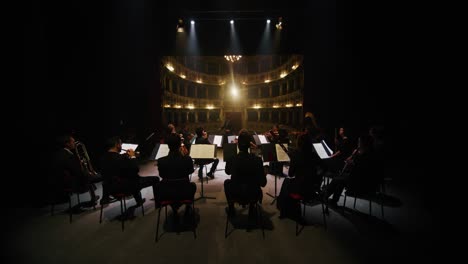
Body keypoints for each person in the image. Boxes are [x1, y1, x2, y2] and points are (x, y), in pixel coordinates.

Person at [99, 136, 160, 207]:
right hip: (125, 188)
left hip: (111, 189)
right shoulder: (121, 158)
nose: (121, 146)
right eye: (121, 144)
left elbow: (115, 161)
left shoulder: (102, 158)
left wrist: (127, 156)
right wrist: (133, 157)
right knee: (155, 179)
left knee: (128, 177)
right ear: (117, 145)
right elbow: (136, 169)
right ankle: (158, 203)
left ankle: (139, 201)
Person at [324, 135, 381, 206]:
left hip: (362, 180)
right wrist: (351, 158)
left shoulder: (369, 154)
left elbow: (362, 168)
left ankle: (325, 196)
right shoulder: (360, 151)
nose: (358, 143)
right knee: (339, 179)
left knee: (338, 179)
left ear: (365, 143)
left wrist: (352, 162)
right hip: (355, 176)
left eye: (360, 141)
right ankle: (332, 200)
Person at [277, 133, 322, 219]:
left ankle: (284, 211)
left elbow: (291, 174)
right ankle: (291, 207)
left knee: (286, 182)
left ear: (299, 143)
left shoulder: (296, 154)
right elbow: (323, 168)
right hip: (313, 189)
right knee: (293, 183)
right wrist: (316, 179)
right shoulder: (314, 155)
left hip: (301, 190)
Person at [224, 129, 267, 218]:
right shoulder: (257, 160)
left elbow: (227, 172)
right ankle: (252, 206)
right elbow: (263, 183)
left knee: (227, 182)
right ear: (250, 145)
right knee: (254, 184)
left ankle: (231, 208)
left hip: (236, 193)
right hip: (252, 194)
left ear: (238, 145)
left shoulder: (232, 158)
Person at [156, 133, 197, 222]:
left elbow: (162, 175)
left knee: (168, 186)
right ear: (180, 144)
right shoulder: (187, 159)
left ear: (168, 146)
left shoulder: (161, 161)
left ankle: (174, 210)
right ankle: (187, 207)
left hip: (167, 193)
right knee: (193, 185)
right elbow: (191, 171)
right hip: (184, 192)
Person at [50, 135, 100, 206]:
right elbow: (75, 171)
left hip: (63, 181)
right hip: (72, 183)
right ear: (67, 144)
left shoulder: (60, 153)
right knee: (97, 177)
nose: (74, 143)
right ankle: (103, 197)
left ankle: (93, 196)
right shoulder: (67, 155)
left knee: (87, 176)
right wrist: (87, 172)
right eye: (73, 142)